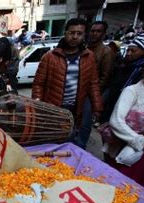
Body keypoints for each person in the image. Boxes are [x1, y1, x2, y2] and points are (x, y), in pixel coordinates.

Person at [32, 18, 103, 148]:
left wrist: (97, 108)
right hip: (55, 108)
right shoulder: (50, 57)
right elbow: (38, 84)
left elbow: (93, 84)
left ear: (84, 35)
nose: (75, 37)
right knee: (54, 142)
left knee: (75, 141)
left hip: (77, 108)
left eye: (79, 33)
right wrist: (37, 105)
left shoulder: (89, 57)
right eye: (72, 33)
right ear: (65, 33)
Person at [101, 59, 144, 188]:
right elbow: (116, 121)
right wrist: (140, 141)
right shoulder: (132, 91)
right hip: (124, 145)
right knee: (117, 184)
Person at [101, 35, 144, 123]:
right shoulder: (123, 65)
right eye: (128, 50)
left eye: (133, 51)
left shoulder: (143, 71)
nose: (128, 53)